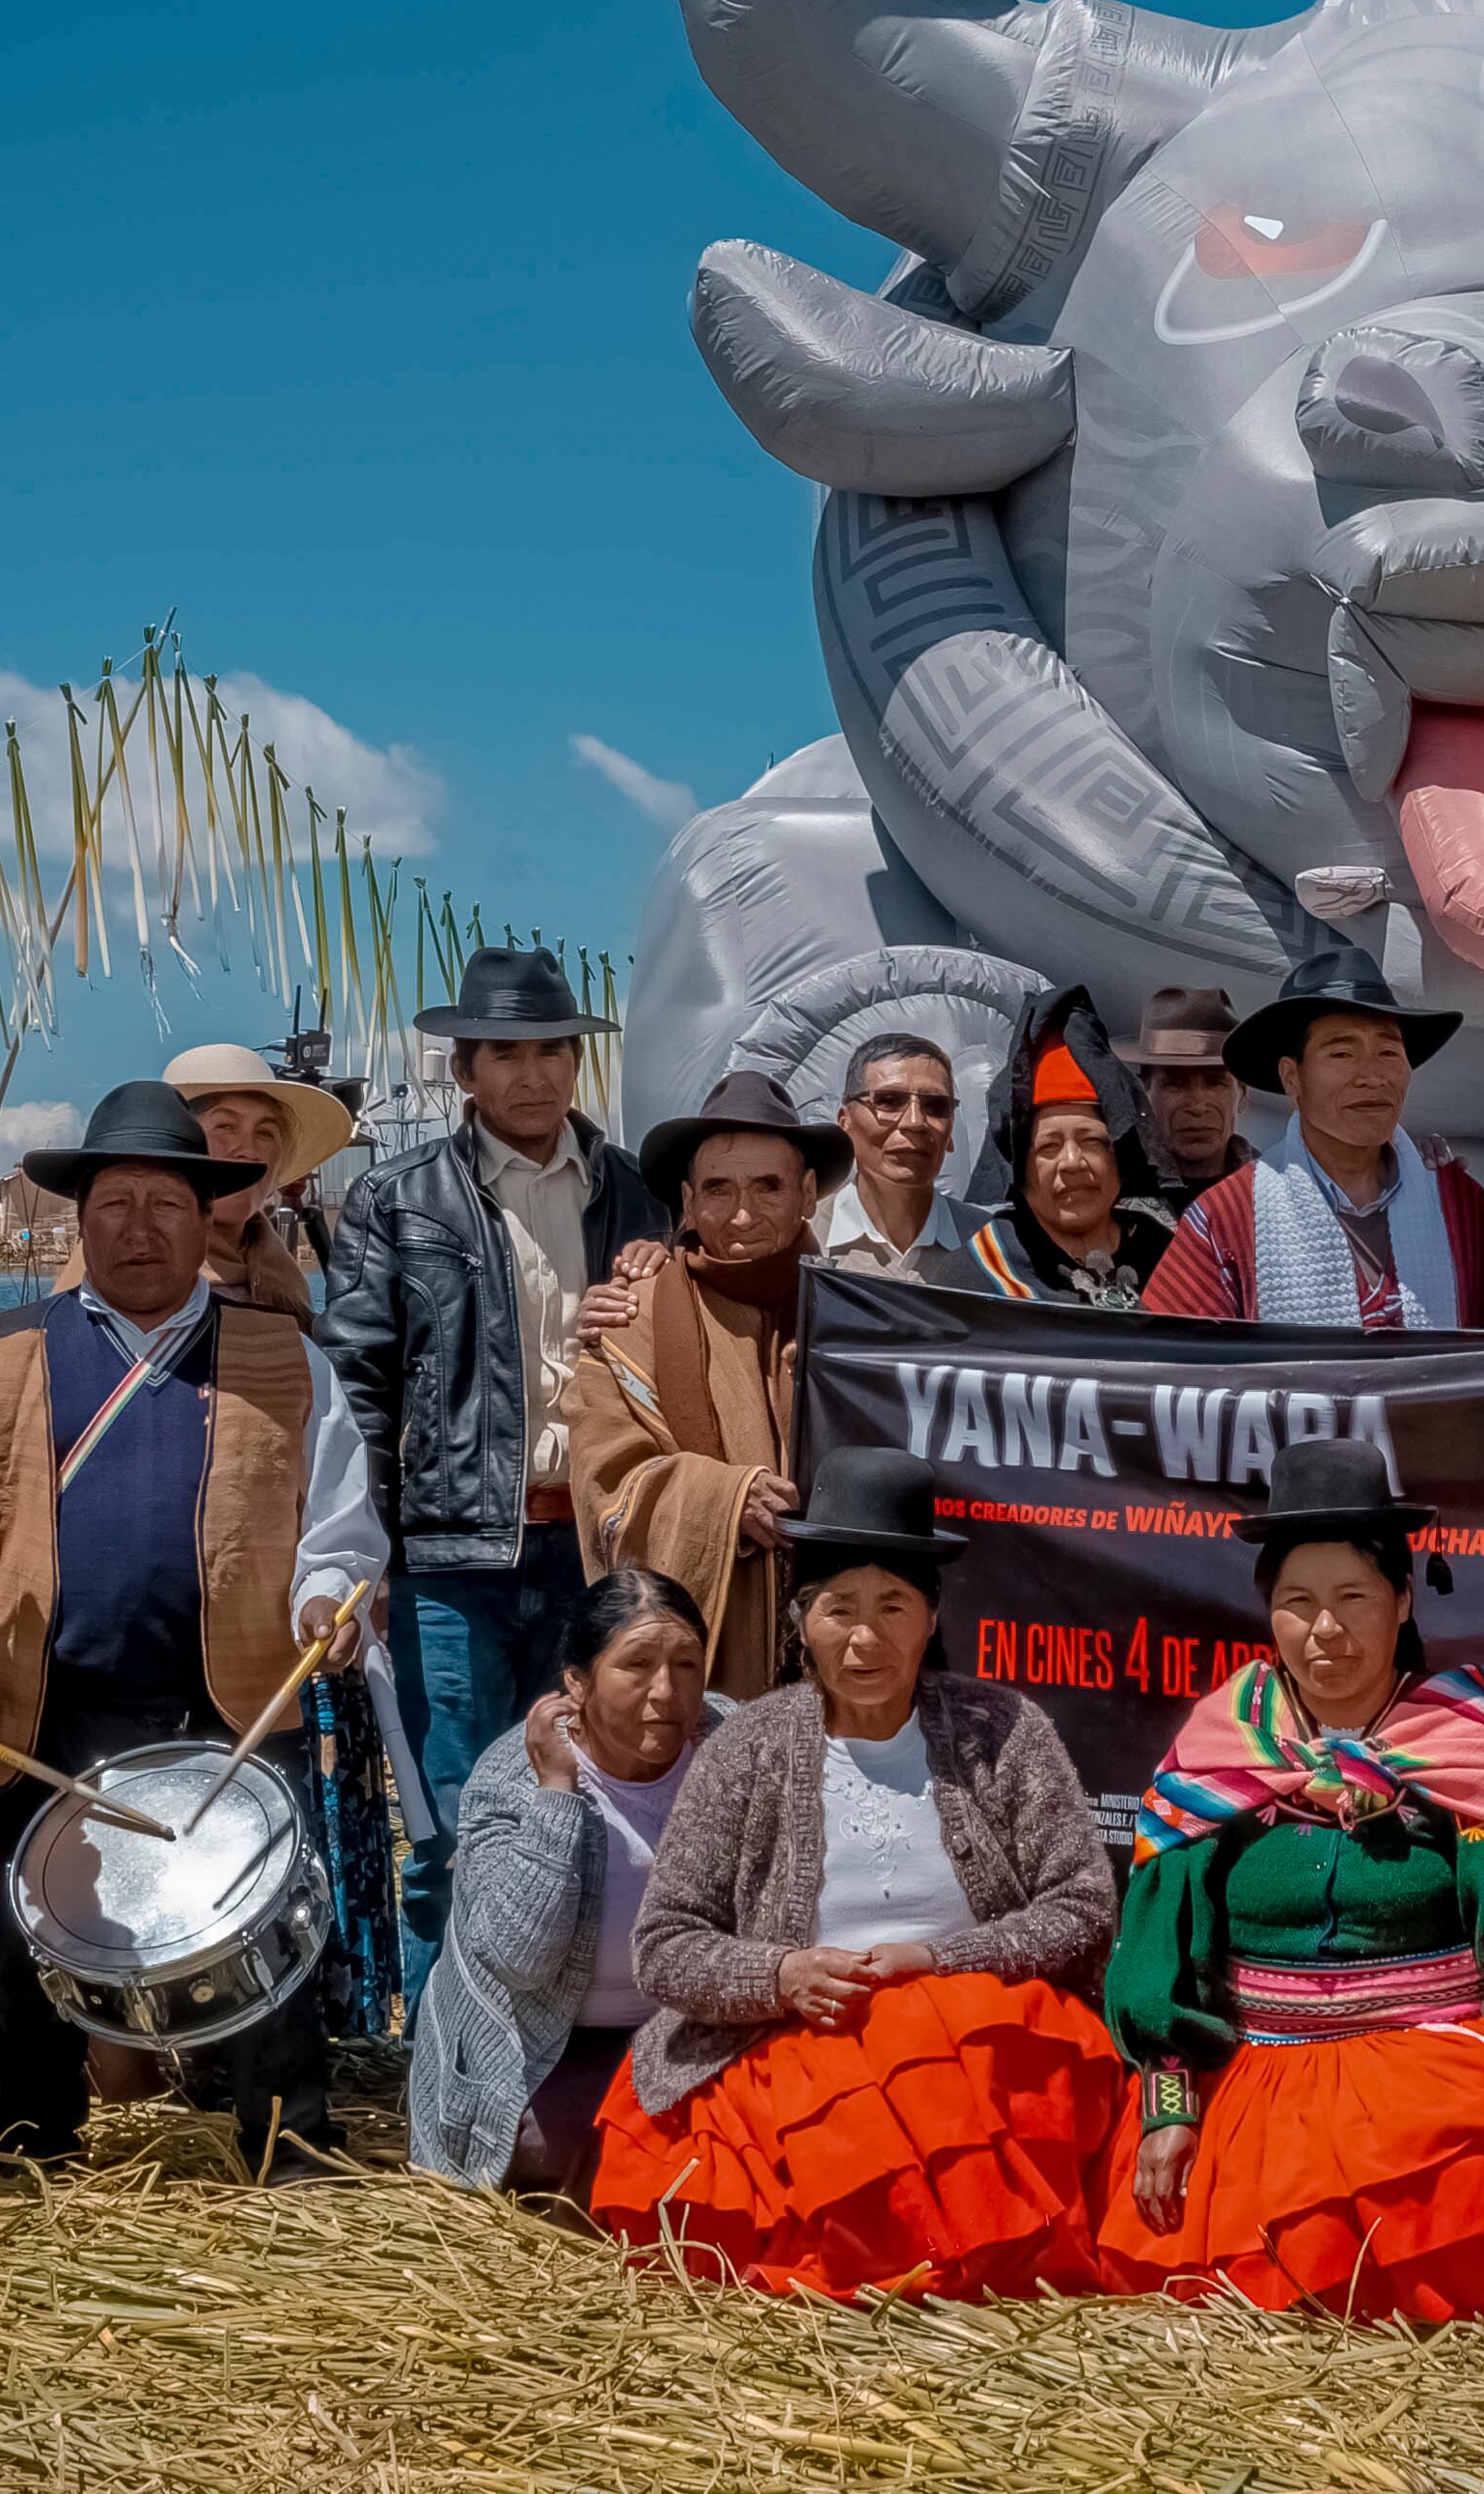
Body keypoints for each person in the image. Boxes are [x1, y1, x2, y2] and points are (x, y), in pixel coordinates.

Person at [0, 1081, 389, 2173]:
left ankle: (287, 2136)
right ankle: (32, 2136)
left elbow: (340, 1517)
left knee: (259, 1903)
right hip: (52, 1696)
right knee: (37, 1921)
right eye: (116, 1203)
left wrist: (329, 1595)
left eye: (166, 1203)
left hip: (228, 1692)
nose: (140, 1226)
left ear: (207, 1216)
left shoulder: (285, 1355)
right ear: (81, 1221)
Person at [591, 1450, 1128, 2299]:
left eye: (893, 1607)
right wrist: (782, 1974)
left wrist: (943, 1963)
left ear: (932, 1614)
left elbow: (1083, 1905)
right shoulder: (749, 1748)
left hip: (971, 2047)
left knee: (971, 2046)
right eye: (839, 1609)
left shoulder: (1003, 1731)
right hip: (794, 2050)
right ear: (802, 1620)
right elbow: (666, 1946)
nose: (866, 1638)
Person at [1101, 1438, 1484, 2324]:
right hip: (1258, 2079)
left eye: (1353, 1599)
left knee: (1476, 2192)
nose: (1325, 1630)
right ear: (1269, 1614)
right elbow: (1159, 1955)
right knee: (1244, 2290)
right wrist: (1167, 2104)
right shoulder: (1221, 1751)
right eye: (1298, 1603)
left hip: (1432, 2069)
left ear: (1402, 1601)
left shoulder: (1469, 1746)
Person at [320, 944, 668, 1992]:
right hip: (449, 1554)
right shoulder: (397, 1197)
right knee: (453, 1823)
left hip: (597, 1551)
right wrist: (365, 1555)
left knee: (586, 1807)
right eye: (505, 1053)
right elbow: (359, 1387)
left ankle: (551, 2054)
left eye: (552, 1049)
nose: (532, 1074)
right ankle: (446, 2074)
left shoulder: (636, 1198)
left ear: (576, 1063)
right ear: (463, 1071)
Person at [406, 1567, 717, 2196]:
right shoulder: (511, 1780)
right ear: (576, 1682)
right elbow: (519, 1961)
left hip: (680, 2038)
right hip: (542, 2052)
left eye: (686, 1665)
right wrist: (556, 1794)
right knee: (563, 2146)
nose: (666, 1692)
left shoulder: (727, 1743)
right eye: (637, 1666)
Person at [563, 1075, 850, 1704]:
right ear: (688, 1204)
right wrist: (725, 1503)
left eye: (769, 1187)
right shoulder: (626, 1323)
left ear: (807, 1194)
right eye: (719, 1190)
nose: (743, 1214)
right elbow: (603, 1487)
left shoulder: (856, 1318)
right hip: (693, 1695)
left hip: (843, 1678)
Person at [1140, 952, 1484, 1331]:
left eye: (1388, 1052)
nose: (1372, 1076)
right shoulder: (1227, 1217)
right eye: (1342, 1053)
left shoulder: (1460, 1206)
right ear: (1292, 1078)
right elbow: (1168, 1368)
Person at [964, 988, 1180, 1306]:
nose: (1072, 1162)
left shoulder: (1172, 1258)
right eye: (1048, 1147)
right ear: (1020, 1166)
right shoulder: (974, 1276)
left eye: (1092, 1141)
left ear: (1121, 1154)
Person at [153, 1042, 357, 1316]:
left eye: (265, 1133)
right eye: (225, 1126)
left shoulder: (284, 1283)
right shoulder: (125, 1271)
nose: (247, 1150)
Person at [810, 1031, 983, 1281]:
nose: (915, 1122)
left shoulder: (993, 1247)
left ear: (951, 1130)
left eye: (935, 1106)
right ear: (845, 1123)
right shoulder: (798, 1238)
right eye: (889, 1101)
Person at [1116, 985, 1256, 1220]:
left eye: (1215, 1083)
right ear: (1144, 1094)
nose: (1197, 1105)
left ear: (1242, 1094)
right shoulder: (1113, 1191)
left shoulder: (1276, 1193)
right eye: (1176, 1083)